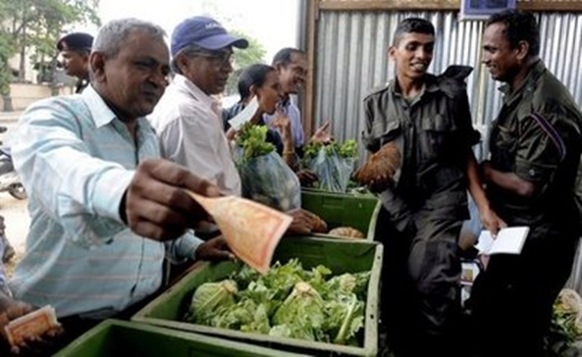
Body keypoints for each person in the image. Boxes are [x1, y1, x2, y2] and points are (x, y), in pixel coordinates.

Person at [10, 18, 233, 351]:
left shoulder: (147, 135)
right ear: (99, 64)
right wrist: (123, 194)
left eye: (163, 71)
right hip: (60, 328)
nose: (158, 81)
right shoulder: (53, 117)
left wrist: (193, 246)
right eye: (144, 65)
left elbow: (145, 227)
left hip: (141, 315)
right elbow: (68, 170)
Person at [358, 18, 502, 356]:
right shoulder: (374, 102)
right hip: (396, 201)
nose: (422, 55)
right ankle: (398, 346)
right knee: (391, 284)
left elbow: (464, 153)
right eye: (413, 47)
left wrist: (483, 207)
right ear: (393, 52)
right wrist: (391, 204)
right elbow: (374, 161)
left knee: (431, 280)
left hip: (439, 199)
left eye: (428, 47)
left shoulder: (450, 95)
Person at [467, 10, 582, 356]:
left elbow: (526, 185)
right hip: (519, 228)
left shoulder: (543, 103)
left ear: (520, 49)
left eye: (491, 50)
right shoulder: (520, 89)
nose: (485, 59)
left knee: (517, 329)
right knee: (487, 310)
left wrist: (484, 171)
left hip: (544, 237)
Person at [149, 16, 248, 197]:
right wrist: (271, 221)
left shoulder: (199, 106)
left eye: (229, 58)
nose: (229, 68)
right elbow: (206, 204)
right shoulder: (187, 114)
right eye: (218, 58)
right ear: (184, 62)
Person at [223, 64, 297, 168]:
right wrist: (246, 117)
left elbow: (284, 177)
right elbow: (219, 154)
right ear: (255, 91)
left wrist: (288, 140)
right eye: (275, 87)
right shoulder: (222, 118)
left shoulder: (270, 136)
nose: (281, 94)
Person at [263, 47, 330, 158]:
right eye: (298, 71)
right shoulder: (261, 108)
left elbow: (297, 153)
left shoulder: (293, 111)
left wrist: (313, 143)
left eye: (305, 73)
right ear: (279, 68)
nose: (303, 78)